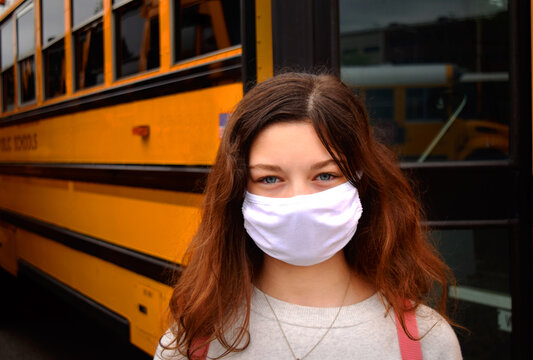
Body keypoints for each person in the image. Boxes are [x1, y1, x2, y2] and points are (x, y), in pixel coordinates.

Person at [155, 72, 462, 360]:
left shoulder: (427, 342)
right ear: (237, 194)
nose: (299, 201)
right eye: (270, 179)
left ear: (362, 183)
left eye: (325, 175)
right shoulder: (191, 345)